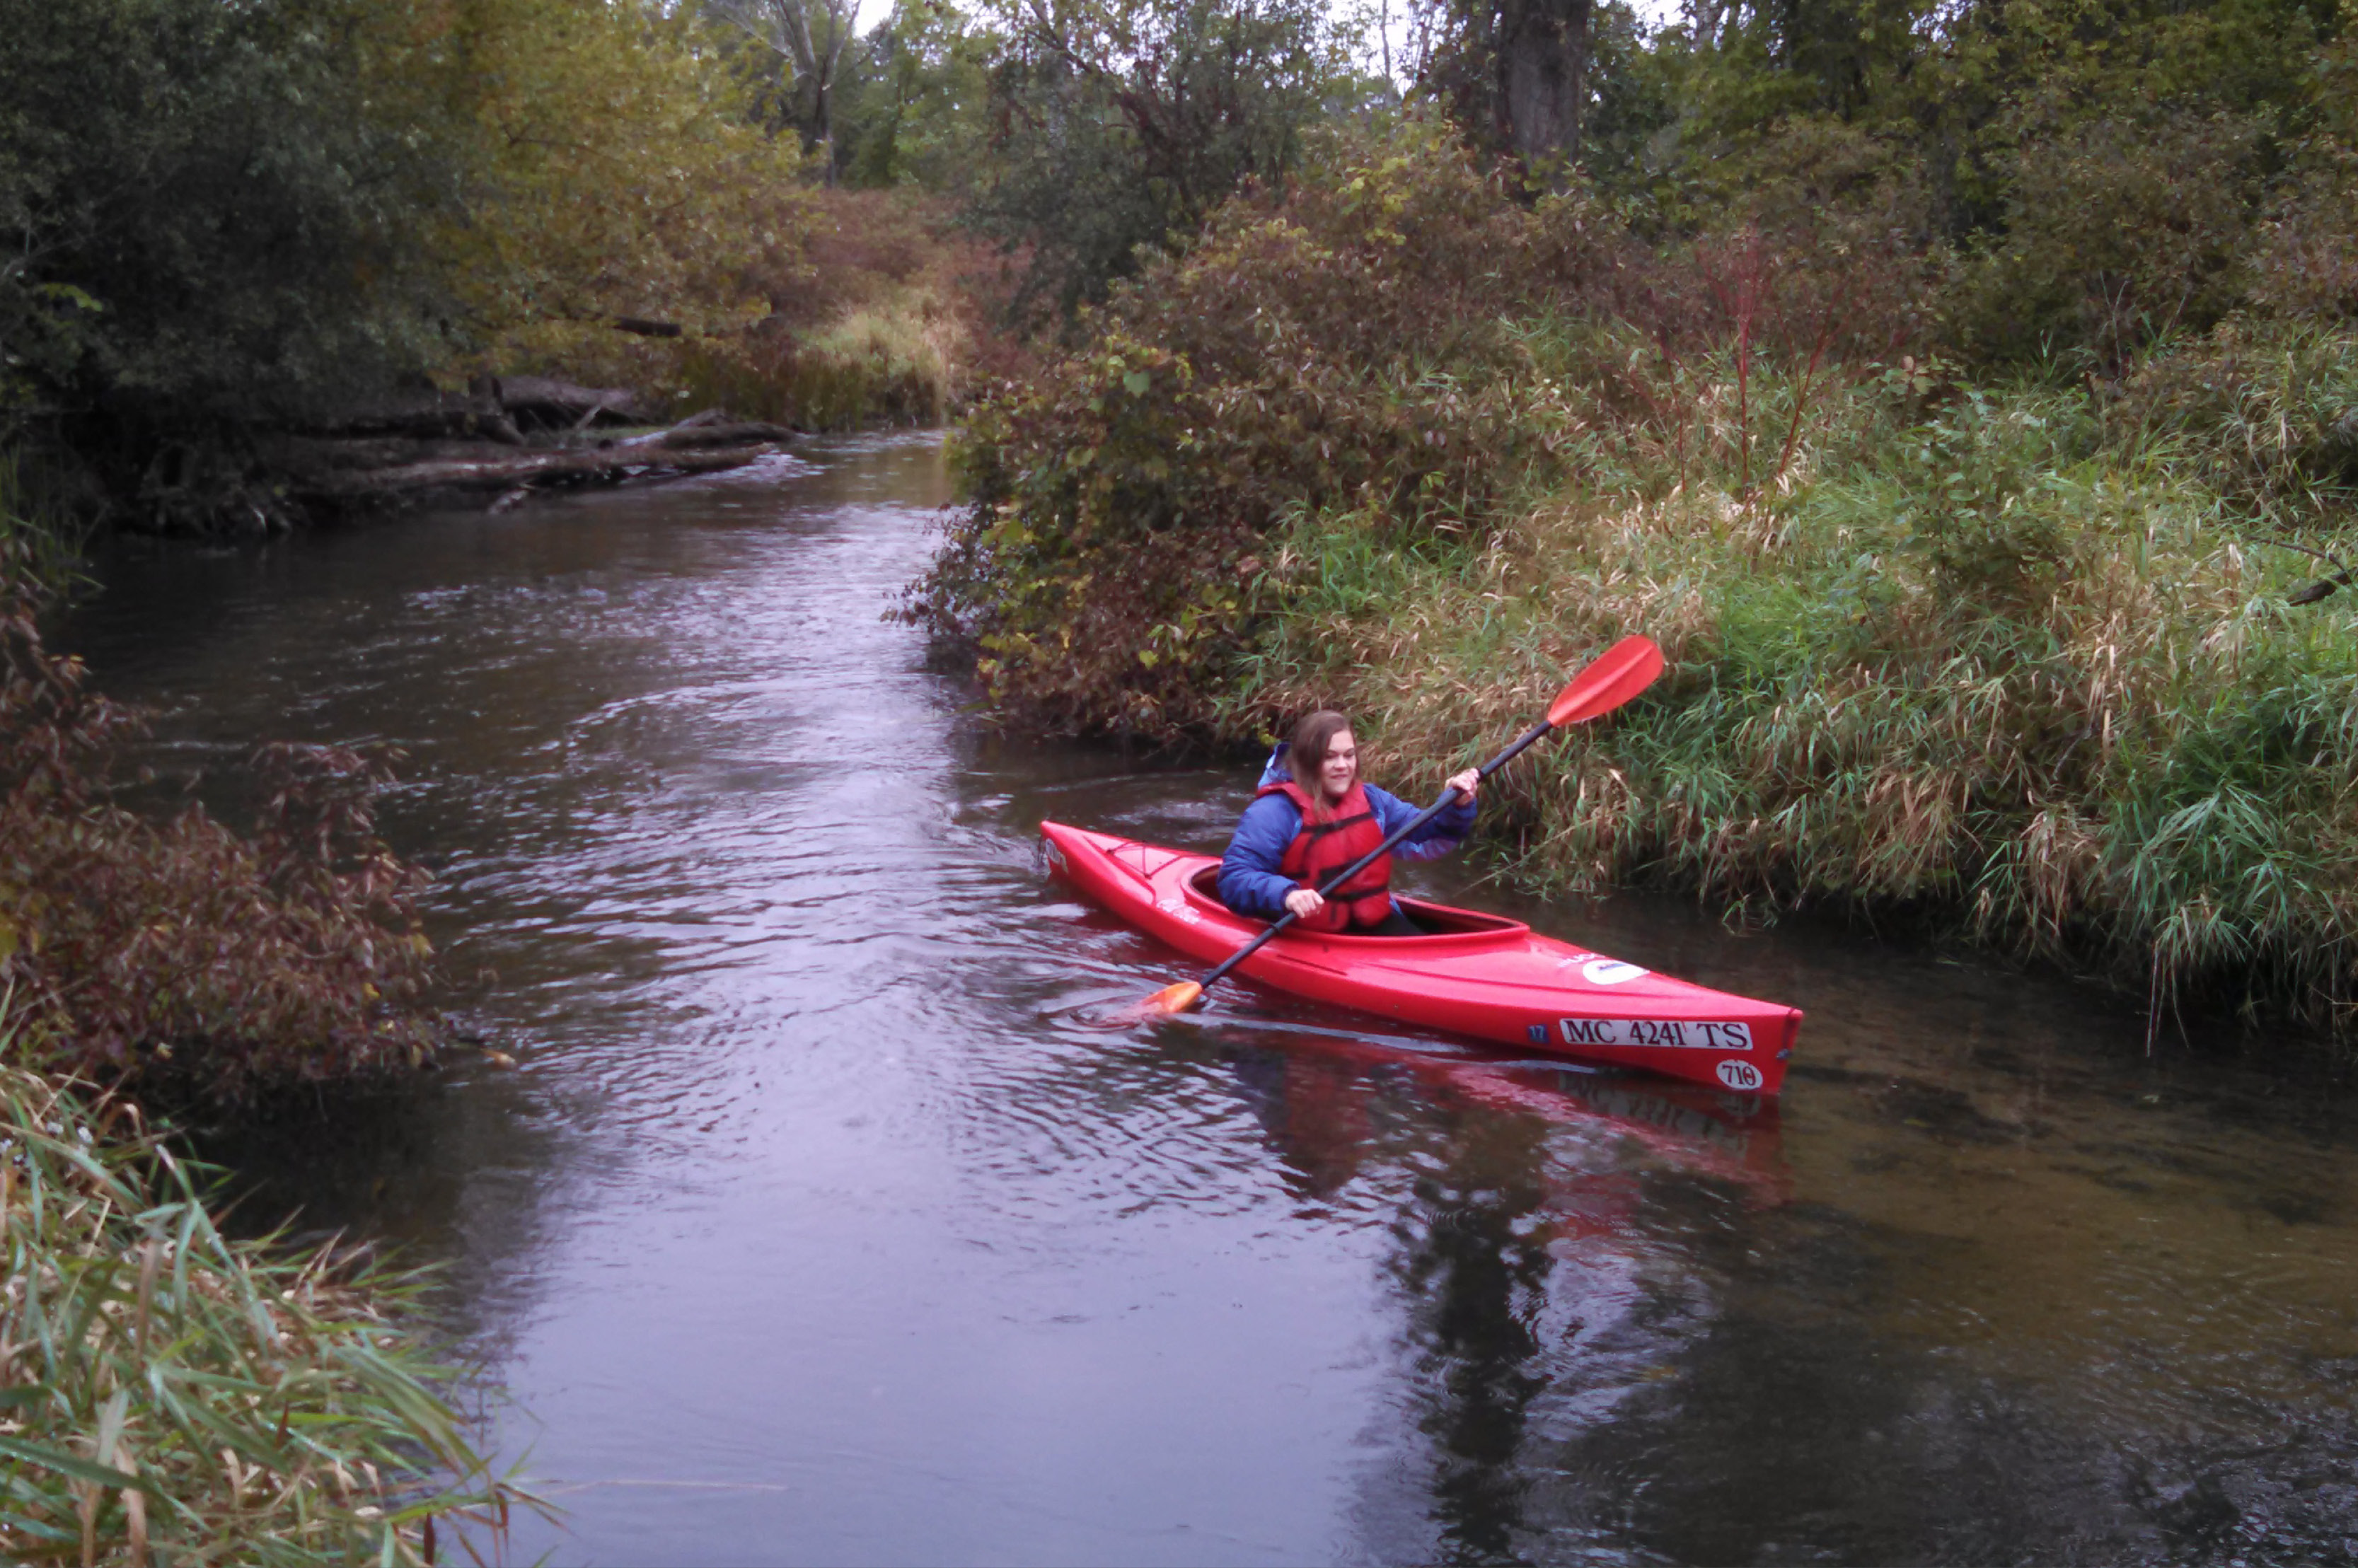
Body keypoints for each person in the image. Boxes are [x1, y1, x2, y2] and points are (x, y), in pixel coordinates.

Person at [1217, 709, 1479, 936]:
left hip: (1372, 921)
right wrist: (1286, 895)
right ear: (1308, 760)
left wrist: (1455, 805)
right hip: (1302, 932)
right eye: (1330, 756)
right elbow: (1234, 879)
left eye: (1349, 755)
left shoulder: (1373, 801)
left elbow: (1428, 835)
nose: (1342, 765)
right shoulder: (1274, 811)